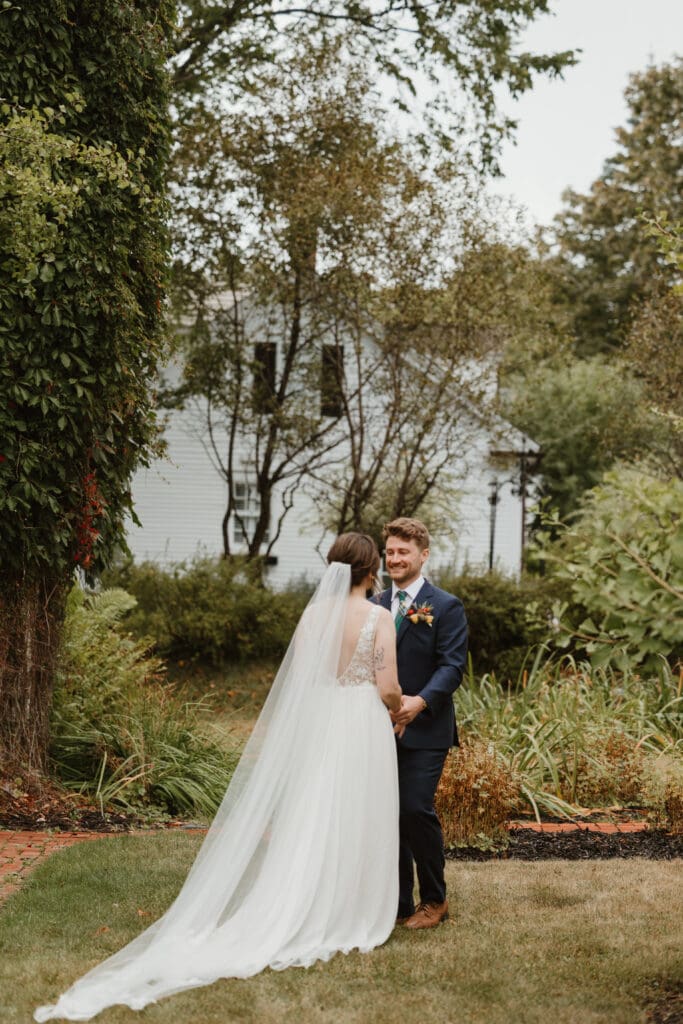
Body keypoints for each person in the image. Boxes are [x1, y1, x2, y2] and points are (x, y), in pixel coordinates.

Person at [34, 533, 402, 1022]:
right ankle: (344, 908)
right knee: (356, 810)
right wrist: (401, 708)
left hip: (321, 721)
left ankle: (305, 898)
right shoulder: (379, 617)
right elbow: (389, 686)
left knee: (315, 809)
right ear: (372, 568)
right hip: (359, 723)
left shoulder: (314, 616)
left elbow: (303, 679)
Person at [377, 517, 468, 930]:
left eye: (403, 552)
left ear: (423, 555)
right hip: (376, 728)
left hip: (427, 729)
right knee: (385, 813)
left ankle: (435, 899)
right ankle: (396, 904)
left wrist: (420, 702)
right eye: (390, 552)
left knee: (415, 808)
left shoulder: (445, 606)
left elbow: (452, 667)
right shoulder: (375, 604)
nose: (395, 559)